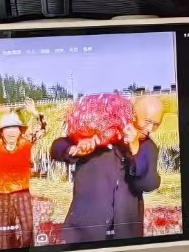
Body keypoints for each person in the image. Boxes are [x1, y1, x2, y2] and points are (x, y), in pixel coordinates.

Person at [52, 95, 165, 243]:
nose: (150, 129)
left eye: (156, 124)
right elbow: (57, 147)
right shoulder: (96, 132)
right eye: (147, 121)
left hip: (125, 232)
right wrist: (76, 149)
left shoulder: (147, 146)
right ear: (133, 114)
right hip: (86, 231)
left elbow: (148, 184)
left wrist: (135, 148)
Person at [0, 100, 45, 252]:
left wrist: (35, 112)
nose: (11, 132)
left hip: (22, 193)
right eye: (7, 128)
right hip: (1, 195)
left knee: (28, 229)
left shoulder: (26, 143)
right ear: (1, 132)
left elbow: (43, 128)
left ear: (20, 131)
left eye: (15, 127)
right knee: (2, 235)